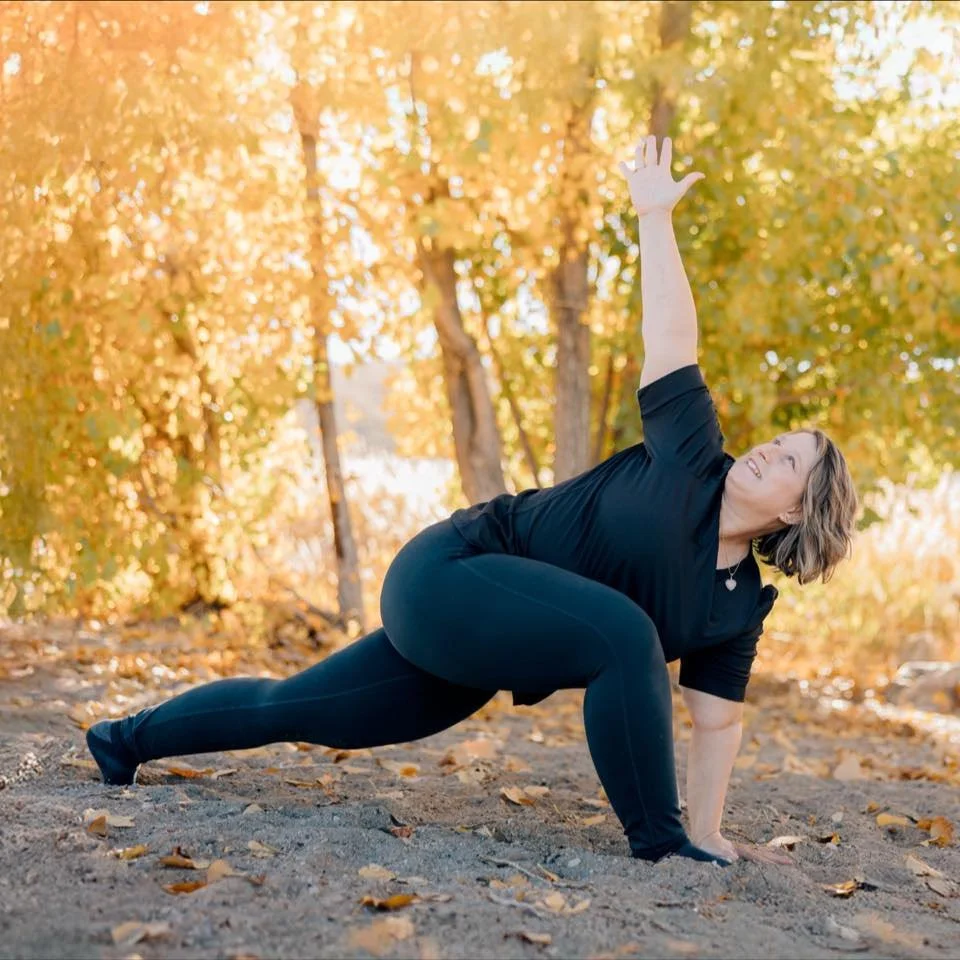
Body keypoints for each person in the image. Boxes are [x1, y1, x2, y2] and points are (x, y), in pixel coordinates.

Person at [86, 136, 858, 866]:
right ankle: (656, 844)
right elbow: (671, 337)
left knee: (295, 708)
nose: (769, 447)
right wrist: (653, 215)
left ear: (799, 511)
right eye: (780, 436)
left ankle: (122, 738)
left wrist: (715, 831)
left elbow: (715, 719)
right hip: (452, 571)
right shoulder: (692, 454)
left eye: (792, 457)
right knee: (627, 632)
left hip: (478, 652)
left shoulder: (735, 607)